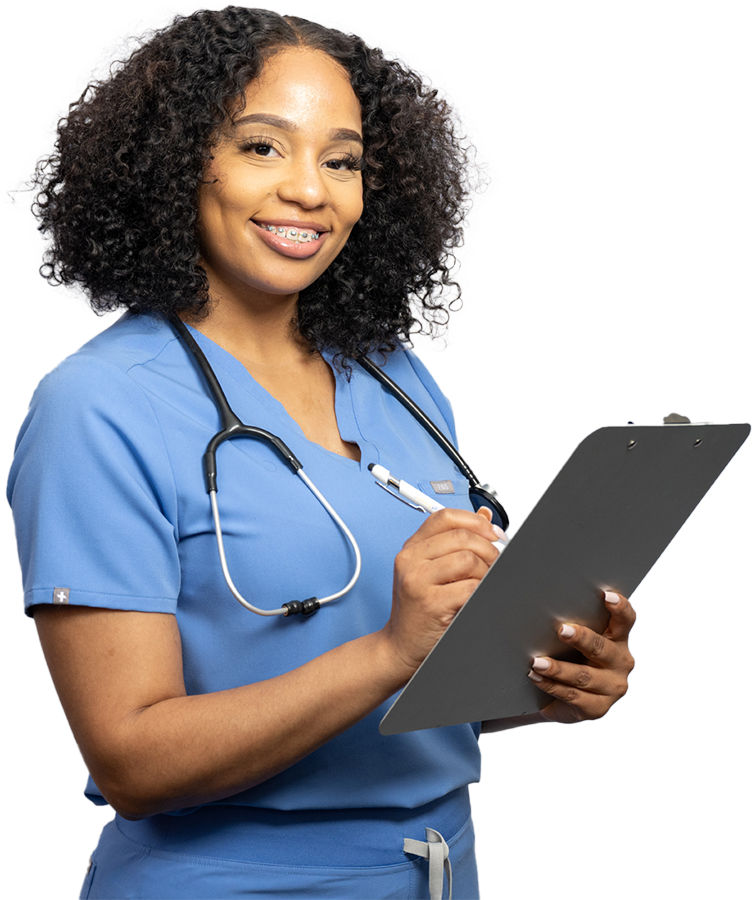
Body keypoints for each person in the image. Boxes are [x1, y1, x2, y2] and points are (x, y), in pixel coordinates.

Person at [6, 7, 635, 899]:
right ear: (177, 162)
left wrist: (545, 681)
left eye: (341, 161)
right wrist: (387, 650)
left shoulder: (394, 377)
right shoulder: (100, 408)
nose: (311, 190)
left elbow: (400, 697)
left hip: (434, 872)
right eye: (263, 147)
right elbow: (132, 763)